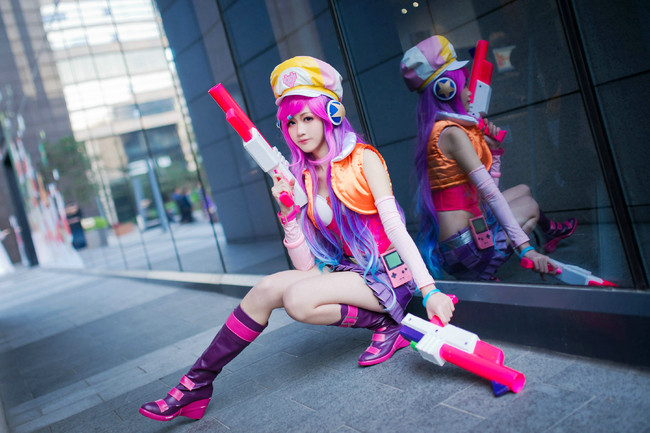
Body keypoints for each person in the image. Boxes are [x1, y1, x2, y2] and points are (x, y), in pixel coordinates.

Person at [140, 56, 455, 422]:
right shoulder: (301, 173)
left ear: (331, 114)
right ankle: (196, 384)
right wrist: (290, 215)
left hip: (386, 275)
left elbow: (396, 227)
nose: (299, 130)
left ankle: (387, 324)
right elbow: (306, 267)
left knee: (298, 299)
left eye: (307, 118)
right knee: (265, 290)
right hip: (347, 272)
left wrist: (429, 291)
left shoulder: (363, 159)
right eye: (290, 122)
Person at [400, 35, 575, 281]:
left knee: (523, 190)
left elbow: (483, 194)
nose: (469, 92)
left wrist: (494, 151)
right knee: (530, 206)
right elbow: (490, 194)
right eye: (464, 85)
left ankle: (550, 233)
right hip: (466, 251)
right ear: (446, 89)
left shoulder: (440, 129)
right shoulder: (452, 133)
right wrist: (526, 248)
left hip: (463, 239)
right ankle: (486, 271)